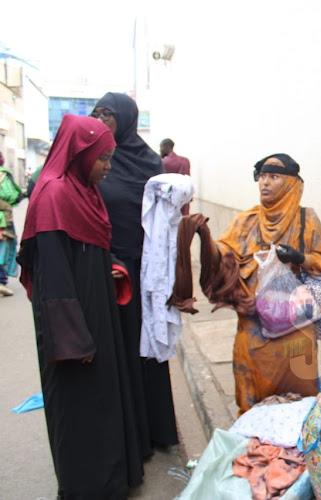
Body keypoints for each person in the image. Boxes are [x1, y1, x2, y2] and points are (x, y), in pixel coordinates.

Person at [16, 114, 144, 498]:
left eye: (109, 158)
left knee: (103, 399)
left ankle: (110, 479)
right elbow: (54, 278)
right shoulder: (54, 193)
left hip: (96, 314)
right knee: (79, 408)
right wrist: (73, 340)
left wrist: (112, 268)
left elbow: (90, 250)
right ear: (78, 154)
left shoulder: (84, 191)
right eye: (102, 158)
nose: (107, 167)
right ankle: (86, 487)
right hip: (73, 326)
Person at [176, 153, 321, 414]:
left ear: (290, 183)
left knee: (298, 401)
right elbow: (225, 256)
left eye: (274, 177)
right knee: (250, 391)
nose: (265, 183)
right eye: (263, 177)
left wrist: (299, 257)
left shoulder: (307, 219)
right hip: (254, 321)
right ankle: (253, 441)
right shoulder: (247, 220)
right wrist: (204, 235)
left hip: (295, 325)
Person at [92, 92, 179, 453]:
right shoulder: (92, 161)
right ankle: (130, 434)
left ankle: (156, 429)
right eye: (95, 113)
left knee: (148, 347)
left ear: (125, 119)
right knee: (118, 347)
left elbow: (164, 220)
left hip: (145, 269)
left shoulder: (149, 164)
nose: (99, 119)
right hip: (109, 267)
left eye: (107, 114)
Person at [0, 150, 22, 297]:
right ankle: (1, 280)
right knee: (3, 249)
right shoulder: (3, 175)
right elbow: (12, 195)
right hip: (3, 220)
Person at [160, 138, 191, 215]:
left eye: (161, 147)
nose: (160, 150)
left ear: (166, 147)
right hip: (185, 195)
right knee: (184, 220)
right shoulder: (185, 161)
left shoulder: (164, 162)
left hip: (170, 198)